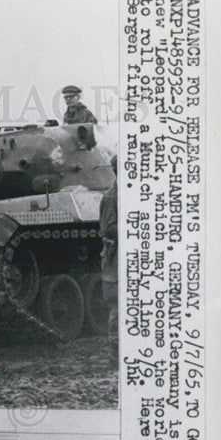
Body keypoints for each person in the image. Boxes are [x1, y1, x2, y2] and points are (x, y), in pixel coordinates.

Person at [99, 154, 118, 366]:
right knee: (119, 305)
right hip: (117, 260)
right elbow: (110, 229)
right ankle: (116, 354)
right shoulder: (112, 198)